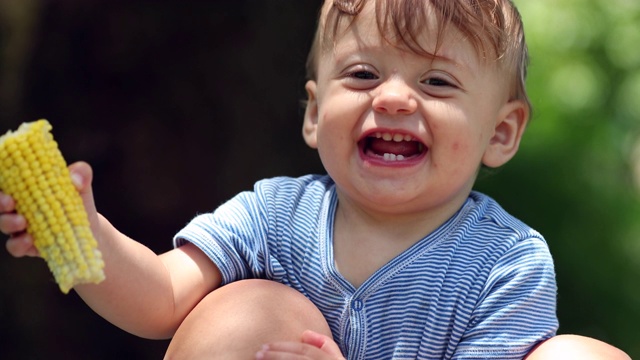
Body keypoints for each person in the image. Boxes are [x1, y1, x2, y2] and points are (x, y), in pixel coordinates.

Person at [1, 0, 632, 359]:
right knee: (242, 312)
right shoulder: (275, 216)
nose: (393, 99)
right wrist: (81, 234)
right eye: (362, 74)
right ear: (312, 112)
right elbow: (161, 298)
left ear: (500, 133)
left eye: (435, 82)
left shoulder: (506, 262)